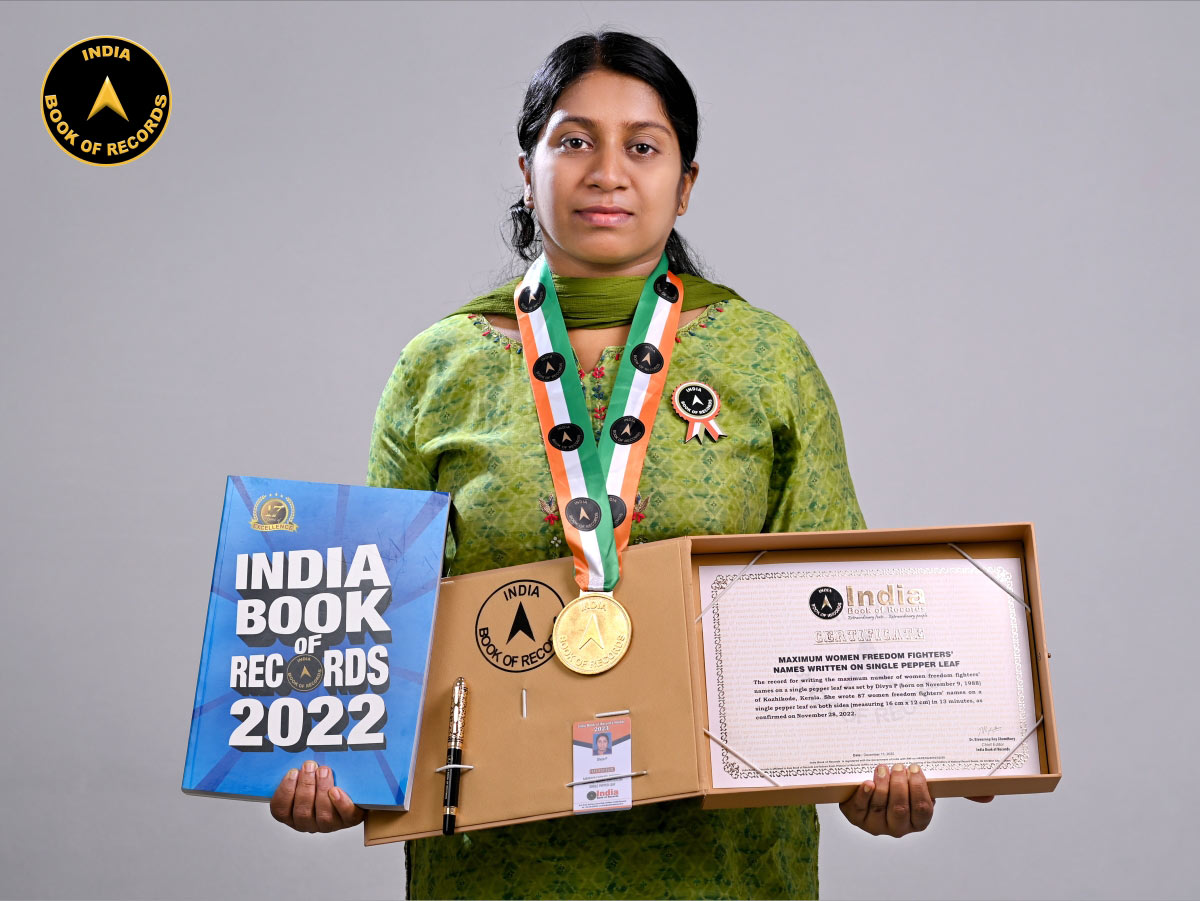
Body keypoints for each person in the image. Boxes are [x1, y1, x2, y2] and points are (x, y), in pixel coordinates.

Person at [269, 29, 992, 900]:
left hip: (722, 865)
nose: (607, 171)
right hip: (496, 863)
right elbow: (375, 627)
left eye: (643, 147)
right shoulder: (437, 368)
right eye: (573, 140)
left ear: (684, 186)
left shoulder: (766, 358)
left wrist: (877, 764)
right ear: (527, 166)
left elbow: (833, 603)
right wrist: (338, 768)